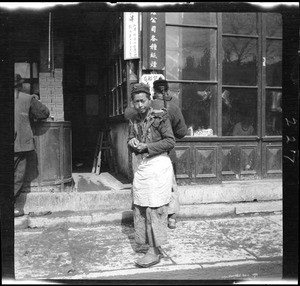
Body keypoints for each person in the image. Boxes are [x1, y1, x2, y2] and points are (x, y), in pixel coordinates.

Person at [125, 79, 188, 229]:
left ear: (153, 92)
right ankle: (171, 217)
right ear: (167, 90)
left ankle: (142, 217)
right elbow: (182, 133)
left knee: (142, 186)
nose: (140, 104)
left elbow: (127, 114)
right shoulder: (172, 107)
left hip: (143, 155)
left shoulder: (142, 107)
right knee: (168, 186)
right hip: (163, 154)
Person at [127, 83, 175, 268]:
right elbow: (130, 139)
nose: (139, 105)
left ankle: (154, 251)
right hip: (142, 166)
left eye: (142, 101)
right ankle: (149, 244)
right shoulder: (133, 120)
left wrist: (147, 146)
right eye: (136, 102)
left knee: (155, 207)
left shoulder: (160, 117)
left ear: (149, 100)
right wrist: (131, 141)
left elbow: (170, 141)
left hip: (158, 165)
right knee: (140, 204)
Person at [14, 74, 50, 217]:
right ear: (20, 85)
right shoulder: (27, 98)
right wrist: (34, 100)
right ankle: (14, 208)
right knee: (17, 175)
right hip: (19, 143)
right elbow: (44, 113)